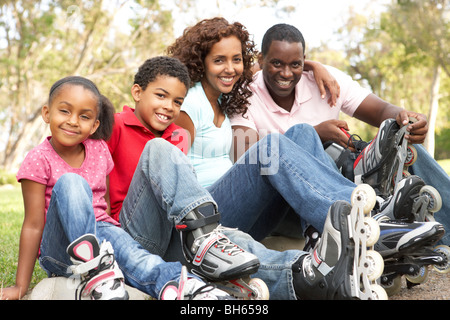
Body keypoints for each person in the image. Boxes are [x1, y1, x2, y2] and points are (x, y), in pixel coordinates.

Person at [105, 52, 388, 299]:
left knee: (236, 245)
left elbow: (248, 70)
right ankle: (365, 218)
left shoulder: (176, 133)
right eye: (161, 96)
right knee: (159, 150)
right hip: (136, 234)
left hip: (182, 236)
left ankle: (316, 273)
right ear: (137, 92)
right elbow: (78, 160)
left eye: (177, 101)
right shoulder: (116, 125)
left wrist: (311, 65)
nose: (169, 107)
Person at [0, 75, 233, 301]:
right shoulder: (38, 158)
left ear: (94, 125)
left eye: (84, 116)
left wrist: (121, 244)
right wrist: (21, 286)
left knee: (138, 257)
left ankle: (187, 288)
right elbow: (33, 225)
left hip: (103, 232)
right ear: (46, 113)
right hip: (61, 247)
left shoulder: (99, 150)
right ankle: (96, 271)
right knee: (72, 182)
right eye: (64, 111)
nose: (72, 121)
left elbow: (106, 206)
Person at [230, 23, 449, 246]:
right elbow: (247, 156)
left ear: (304, 60)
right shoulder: (245, 94)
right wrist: (317, 134)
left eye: (295, 64)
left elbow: (382, 111)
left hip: (338, 181)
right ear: (261, 59)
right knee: (304, 135)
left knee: (406, 143)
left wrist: (405, 118)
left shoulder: (325, 80)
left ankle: (436, 231)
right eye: (276, 63)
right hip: (286, 204)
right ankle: (369, 213)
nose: (286, 73)